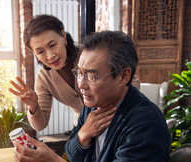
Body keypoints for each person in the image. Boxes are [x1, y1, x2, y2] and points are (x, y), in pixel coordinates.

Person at [13, 30, 179, 162]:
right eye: (79, 73)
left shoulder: (144, 123)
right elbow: (74, 155)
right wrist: (83, 135)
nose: (81, 85)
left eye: (91, 76)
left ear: (124, 76)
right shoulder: (93, 105)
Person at [9, 14, 140, 132]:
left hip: (118, 121)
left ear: (64, 37)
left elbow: (133, 81)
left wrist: (109, 108)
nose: (50, 55)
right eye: (40, 52)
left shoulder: (89, 55)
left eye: (52, 45)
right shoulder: (44, 78)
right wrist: (33, 106)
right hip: (83, 129)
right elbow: (40, 126)